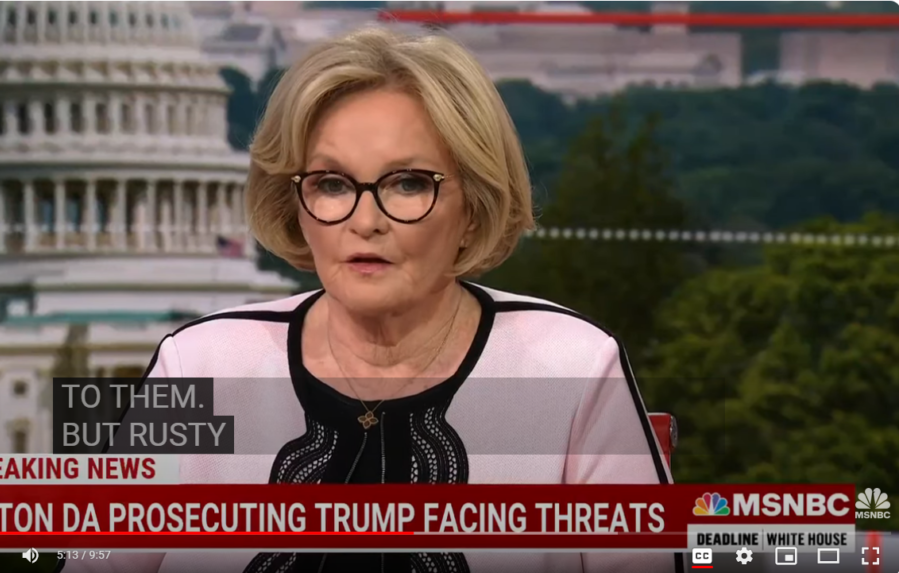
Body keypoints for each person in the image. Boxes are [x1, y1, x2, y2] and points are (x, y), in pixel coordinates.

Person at [60, 26, 680, 573]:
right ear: (296, 206)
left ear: (474, 206)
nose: (365, 221)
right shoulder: (200, 363)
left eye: (407, 183)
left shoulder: (573, 367)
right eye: (332, 184)